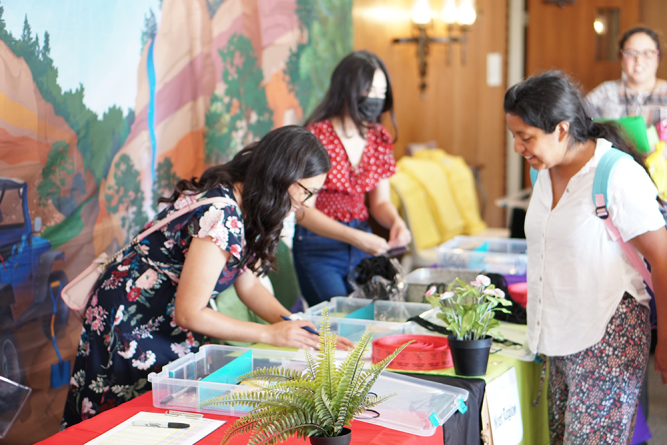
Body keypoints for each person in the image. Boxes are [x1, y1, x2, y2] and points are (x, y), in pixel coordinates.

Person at [61, 126, 353, 428]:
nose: (305, 203)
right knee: (122, 422)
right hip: (132, 319)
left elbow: (247, 282)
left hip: (160, 318)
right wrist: (270, 334)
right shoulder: (222, 214)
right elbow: (190, 313)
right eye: (306, 192)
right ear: (283, 174)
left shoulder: (246, 199)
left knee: (162, 416)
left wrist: (291, 324)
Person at [505, 71, 667, 444]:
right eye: (514, 135)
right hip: (557, 334)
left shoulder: (615, 175)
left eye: (525, 137)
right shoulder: (543, 174)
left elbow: (661, 258)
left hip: (607, 334)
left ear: (561, 130)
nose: (517, 147)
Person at [292, 51, 411, 306]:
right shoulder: (316, 136)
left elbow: (380, 203)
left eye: (382, 91)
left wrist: (396, 222)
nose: (376, 99)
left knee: (368, 319)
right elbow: (302, 211)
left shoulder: (379, 138)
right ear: (347, 88)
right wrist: (355, 237)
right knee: (336, 321)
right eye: (370, 90)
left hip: (361, 245)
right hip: (319, 246)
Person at [586, 26, 667, 127]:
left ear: (658, 57)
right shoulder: (606, 92)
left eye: (647, 53)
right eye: (631, 53)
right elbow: (578, 116)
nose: (639, 60)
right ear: (621, 57)